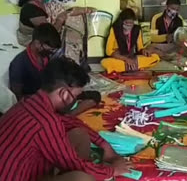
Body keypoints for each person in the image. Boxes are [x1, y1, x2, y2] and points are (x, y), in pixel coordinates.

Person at [0, 57, 131, 181]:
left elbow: (68, 120)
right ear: (63, 94)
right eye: (76, 96)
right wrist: (112, 170)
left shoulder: (29, 102)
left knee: (80, 135)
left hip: (25, 171)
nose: (76, 100)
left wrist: (104, 144)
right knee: (83, 178)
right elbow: (74, 165)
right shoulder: (45, 122)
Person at [17, 0, 95, 47]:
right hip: (35, 37)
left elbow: (62, 12)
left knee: (76, 18)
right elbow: (49, 34)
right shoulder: (31, 12)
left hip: (48, 27)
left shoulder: (43, 2)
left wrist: (85, 10)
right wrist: (60, 20)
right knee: (70, 38)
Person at [10, 23, 61, 100]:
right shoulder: (18, 65)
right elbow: (18, 95)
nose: (52, 52)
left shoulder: (45, 55)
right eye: (50, 49)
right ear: (37, 44)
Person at [101, 8, 160, 73]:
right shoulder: (115, 29)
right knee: (105, 62)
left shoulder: (136, 29)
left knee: (155, 57)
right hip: (119, 58)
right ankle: (135, 66)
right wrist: (126, 59)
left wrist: (144, 51)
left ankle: (130, 67)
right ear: (122, 21)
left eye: (131, 23)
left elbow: (140, 48)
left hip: (132, 58)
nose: (129, 25)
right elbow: (108, 52)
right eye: (126, 22)